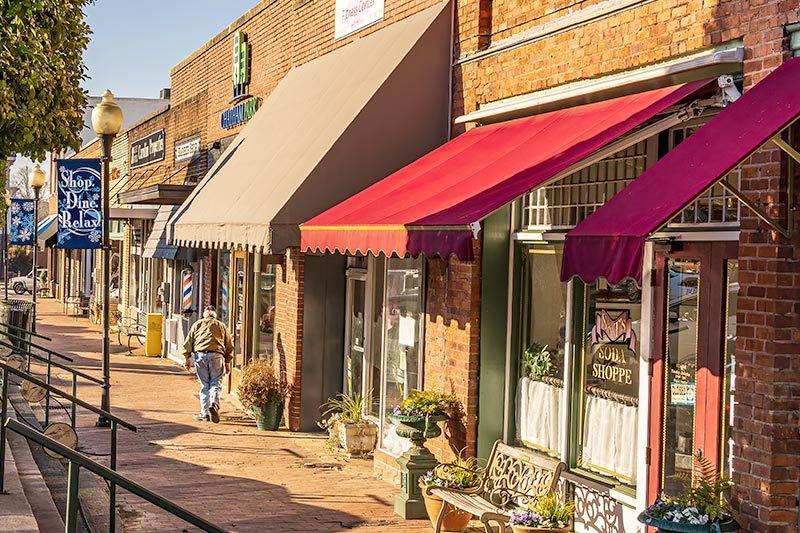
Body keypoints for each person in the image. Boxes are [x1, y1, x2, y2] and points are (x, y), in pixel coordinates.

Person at [183, 305, 234, 423]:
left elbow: (188, 342)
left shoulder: (197, 324)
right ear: (215, 314)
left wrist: (187, 358)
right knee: (215, 383)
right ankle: (214, 404)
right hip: (217, 355)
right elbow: (229, 345)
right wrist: (227, 362)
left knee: (205, 385)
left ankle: (204, 413)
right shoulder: (221, 326)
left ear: (204, 314)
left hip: (200, 355)